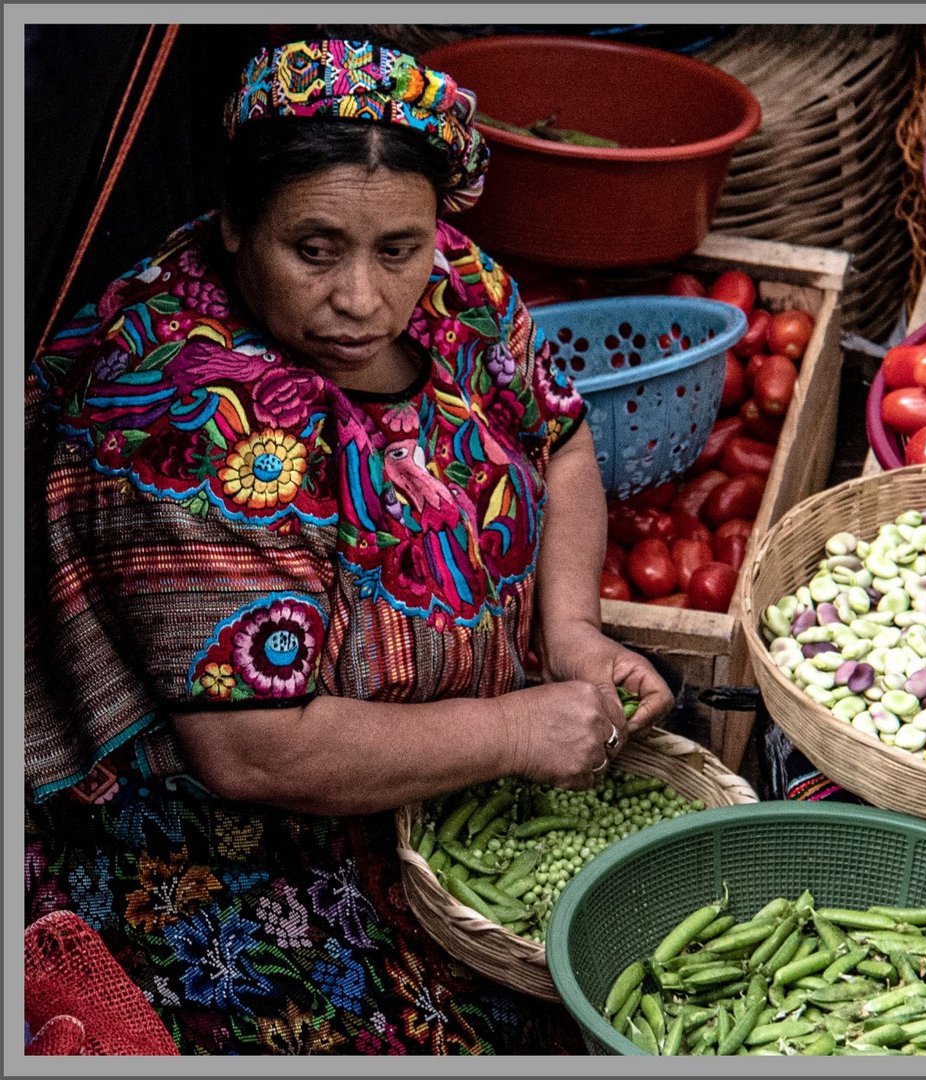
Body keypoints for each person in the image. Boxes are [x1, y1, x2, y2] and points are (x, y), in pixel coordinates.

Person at [25, 40, 674, 1053]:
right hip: (230, 840)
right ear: (237, 223)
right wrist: (510, 735)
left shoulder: (460, 285)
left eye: (397, 250)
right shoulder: (202, 411)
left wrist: (576, 632)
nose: (363, 300)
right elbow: (250, 748)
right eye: (313, 249)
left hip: (447, 756)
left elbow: (561, 436)